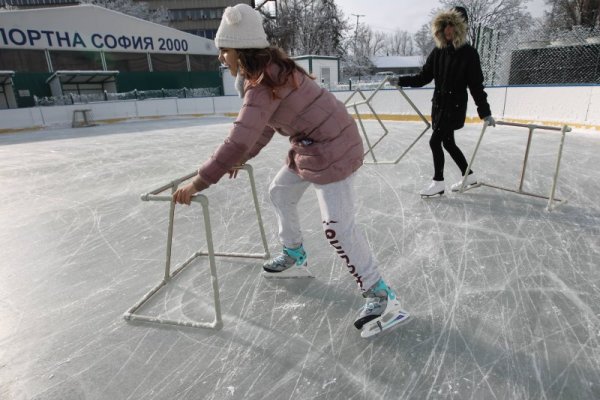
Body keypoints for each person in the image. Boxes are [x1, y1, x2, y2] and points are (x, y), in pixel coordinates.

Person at [172, 3, 409, 335]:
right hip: (311, 145)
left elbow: (239, 137)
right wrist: (244, 157)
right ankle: (295, 255)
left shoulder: (265, 82)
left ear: (240, 49)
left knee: (337, 228)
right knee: (280, 191)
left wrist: (199, 181)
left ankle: (382, 296)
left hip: (333, 148)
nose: (220, 57)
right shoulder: (267, 74)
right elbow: (263, 127)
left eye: (224, 50)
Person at [395, 6, 495, 197]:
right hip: (439, 106)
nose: (448, 30)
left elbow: (476, 86)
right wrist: (401, 80)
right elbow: (423, 77)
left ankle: (438, 182)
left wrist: (485, 112)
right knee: (448, 143)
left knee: (435, 142)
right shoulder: (438, 52)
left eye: (452, 25)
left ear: (461, 27)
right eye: (445, 26)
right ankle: (470, 177)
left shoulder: (469, 54)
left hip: (454, 107)